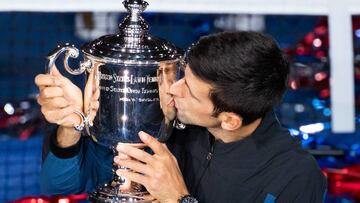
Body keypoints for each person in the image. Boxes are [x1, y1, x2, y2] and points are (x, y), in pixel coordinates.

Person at [35, 31, 327, 202]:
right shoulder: (164, 124)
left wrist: (178, 199)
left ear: (228, 120)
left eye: (188, 89)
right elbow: (58, 187)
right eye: (183, 76)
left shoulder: (296, 177)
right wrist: (71, 124)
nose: (172, 89)